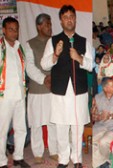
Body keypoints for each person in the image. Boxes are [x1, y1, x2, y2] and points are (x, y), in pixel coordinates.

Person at [41, 5, 93, 168]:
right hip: (60, 91)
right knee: (62, 126)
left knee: (77, 126)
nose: (69, 19)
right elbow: (44, 65)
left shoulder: (84, 41)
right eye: (66, 17)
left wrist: (79, 58)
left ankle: (76, 158)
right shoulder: (53, 40)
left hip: (79, 91)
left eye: (71, 16)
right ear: (61, 20)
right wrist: (55, 54)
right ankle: (63, 159)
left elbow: (91, 66)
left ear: (75, 18)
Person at [25, 13, 58, 164]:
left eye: (50, 24)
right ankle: (37, 153)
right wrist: (44, 78)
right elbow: (29, 67)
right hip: (37, 89)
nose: (49, 27)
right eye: (46, 24)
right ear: (39, 26)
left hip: (53, 90)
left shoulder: (55, 42)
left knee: (53, 122)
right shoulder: (29, 44)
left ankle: (54, 151)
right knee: (36, 123)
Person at [0, 17, 31, 168]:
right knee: (2, 130)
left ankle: (18, 157)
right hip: (4, 95)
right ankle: (1, 161)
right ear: (4, 30)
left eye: (16, 29)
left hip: (20, 94)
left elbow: (23, 71)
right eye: (11, 29)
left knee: (21, 128)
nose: (14, 32)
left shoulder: (19, 48)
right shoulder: (0, 47)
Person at [92, 78, 113, 168]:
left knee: (103, 142)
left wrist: (110, 116)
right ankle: (100, 164)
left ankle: (105, 161)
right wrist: (101, 116)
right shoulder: (97, 97)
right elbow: (93, 115)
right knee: (93, 140)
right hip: (100, 126)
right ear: (105, 88)